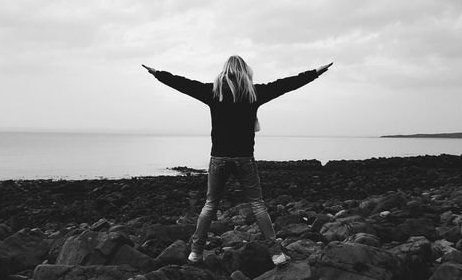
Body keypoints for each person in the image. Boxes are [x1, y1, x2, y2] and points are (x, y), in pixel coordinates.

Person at [142, 56, 332, 265]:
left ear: (225, 71)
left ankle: (196, 252)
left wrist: (158, 74)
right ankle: (276, 254)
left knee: (210, 205)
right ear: (245, 71)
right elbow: (286, 84)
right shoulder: (254, 94)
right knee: (257, 205)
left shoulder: (214, 93)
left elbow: (183, 84)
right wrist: (315, 73)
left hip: (219, 158)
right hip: (244, 158)